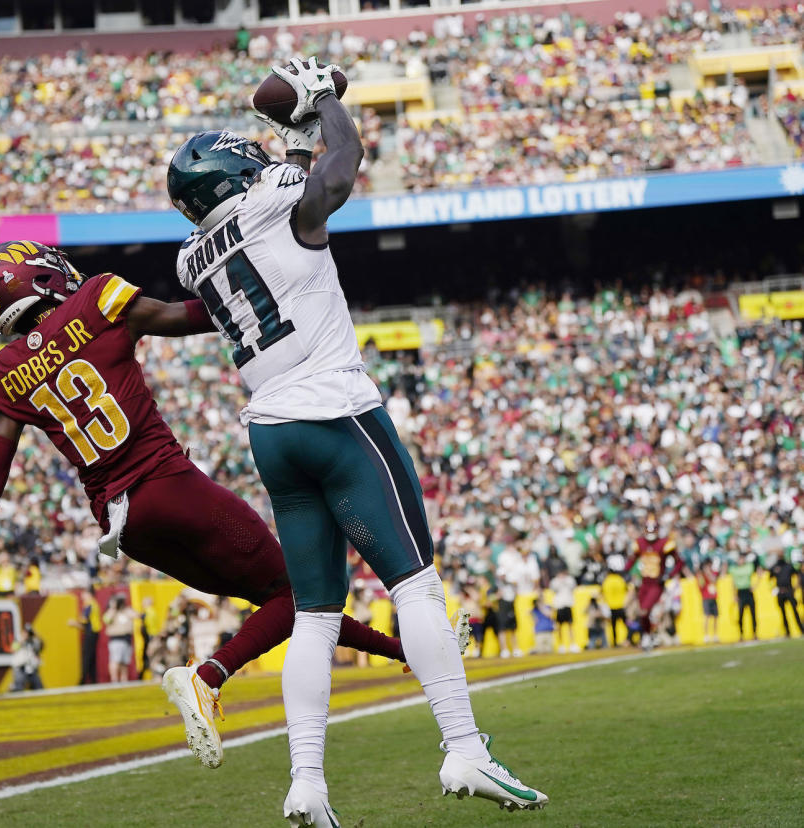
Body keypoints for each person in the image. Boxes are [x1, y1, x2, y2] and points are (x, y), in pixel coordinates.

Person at [166, 58, 546, 821]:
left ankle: (307, 782)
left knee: (313, 612)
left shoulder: (191, 260)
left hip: (272, 432)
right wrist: (324, 103)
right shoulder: (272, 201)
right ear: (232, 175)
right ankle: (464, 747)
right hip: (336, 411)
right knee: (415, 585)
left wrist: (299, 137)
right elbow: (339, 173)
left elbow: (292, 199)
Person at [0, 238, 406, 770]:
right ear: (40, 277)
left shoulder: (0, 373)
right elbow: (190, 316)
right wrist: (265, 297)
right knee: (299, 595)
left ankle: (404, 652)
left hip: (122, 524)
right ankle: (206, 677)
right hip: (170, 486)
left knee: (286, 601)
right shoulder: (98, 299)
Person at [628, 520, 681, 649]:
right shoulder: (640, 543)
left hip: (656, 583)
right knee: (642, 612)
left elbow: (679, 562)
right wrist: (625, 572)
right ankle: (648, 635)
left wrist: (668, 575)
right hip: (644, 583)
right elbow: (632, 560)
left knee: (646, 610)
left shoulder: (664, 543)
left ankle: (649, 636)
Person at [68, 588, 102, 685]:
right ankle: (93, 679)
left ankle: (82, 680)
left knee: (87, 656)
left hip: (91, 632)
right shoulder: (94, 604)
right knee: (91, 657)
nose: (82, 596)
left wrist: (74, 622)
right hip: (93, 632)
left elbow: (84, 620)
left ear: (89, 594)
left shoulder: (90, 604)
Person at [103, 593, 136, 683]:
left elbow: (136, 615)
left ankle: (124, 679)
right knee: (115, 660)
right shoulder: (111, 612)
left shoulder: (127, 610)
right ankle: (114, 679)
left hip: (127, 639)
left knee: (124, 661)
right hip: (116, 639)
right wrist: (113, 607)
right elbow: (106, 620)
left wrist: (125, 608)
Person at [768, 554, 801, 638]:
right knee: (783, 613)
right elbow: (770, 577)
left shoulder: (788, 566)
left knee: (795, 611)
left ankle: (801, 629)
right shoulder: (775, 567)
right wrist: (773, 589)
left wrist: (796, 586)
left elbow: (797, 574)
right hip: (780, 592)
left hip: (788, 590)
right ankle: (787, 631)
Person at [548, 569, 579, 653]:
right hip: (559, 605)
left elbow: (573, 588)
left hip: (568, 603)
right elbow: (553, 590)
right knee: (559, 626)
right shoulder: (555, 581)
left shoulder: (569, 579)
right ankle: (561, 645)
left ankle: (573, 644)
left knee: (570, 625)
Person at [11, 625, 44, 691]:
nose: (27, 635)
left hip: (31, 668)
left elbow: (41, 645)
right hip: (20, 667)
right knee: (18, 688)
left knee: (38, 688)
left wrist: (36, 635)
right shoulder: (18, 639)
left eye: (28, 633)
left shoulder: (33, 641)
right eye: (25, 632)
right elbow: (13, 649)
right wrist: (22, 640)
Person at [696, 558, 722, 643]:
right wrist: (702, 575)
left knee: (715, 617)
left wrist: (708, 573)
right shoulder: (701, 575)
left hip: (713, 597)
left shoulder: (713, 573)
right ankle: (706, 635)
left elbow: (714, 581)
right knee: (707, 616)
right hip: (706, 598)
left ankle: (715, 635)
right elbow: (701, 585)